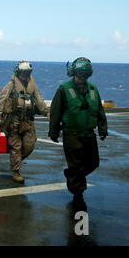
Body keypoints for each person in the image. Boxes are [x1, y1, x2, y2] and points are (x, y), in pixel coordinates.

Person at [48, 57, 108, 211]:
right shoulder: (64, 89)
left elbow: (99, 111)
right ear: (73, 73)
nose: (81, 79)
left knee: (93, 163)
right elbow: (55, 112)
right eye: (79, 75)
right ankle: (78, 195)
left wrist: (102, 128)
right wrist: (53, 132)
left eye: (84, 76)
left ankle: (73, 176)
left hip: (89, 134)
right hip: (72, 134)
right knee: (77, 165)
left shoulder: (93, 89)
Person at [0, 61, 49, 183]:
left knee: (29, 145)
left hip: (28, 121)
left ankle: (15, 160)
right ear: (18, 72)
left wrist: (47, 112)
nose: (25, 75)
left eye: (27, 72)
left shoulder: (32, 86)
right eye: (23, 72)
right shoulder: (11, 85)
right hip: (14, 121)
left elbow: (39, 100)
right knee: (16, 146)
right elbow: (1, 101)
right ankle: (16, 171)